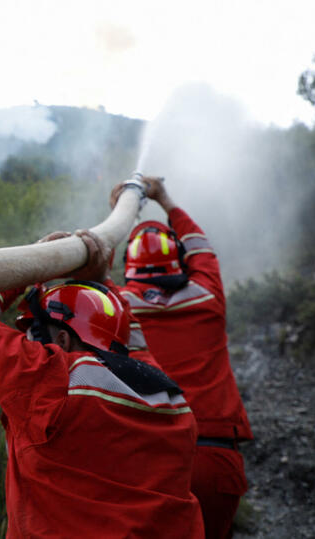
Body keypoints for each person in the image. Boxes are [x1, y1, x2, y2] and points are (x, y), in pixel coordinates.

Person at [0, 229, 204, 538]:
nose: (31, 343)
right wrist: (100, 280)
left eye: (36, 334)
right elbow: (125, 338)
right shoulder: (168, 396)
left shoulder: (51, 380)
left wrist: (29, 265)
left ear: (63, 339)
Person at [110, 176, 252, 539]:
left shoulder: (117, 308)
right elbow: (202, 248)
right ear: (179, 261)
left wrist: (116, 220)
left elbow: (92, 279)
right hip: (216, 460)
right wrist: (166, 200)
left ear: (129, 265)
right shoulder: (207, 296)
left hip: (152, 463)